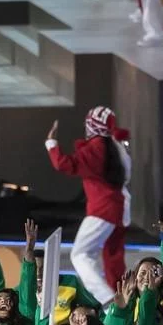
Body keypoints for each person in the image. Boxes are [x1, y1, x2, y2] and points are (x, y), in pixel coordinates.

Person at [45, 108, 131, 306]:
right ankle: (121, 298)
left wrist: (51, 143)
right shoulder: (115, 146)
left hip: (103, 210)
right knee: (112, 258)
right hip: (118, 206)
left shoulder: (96, 148)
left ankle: (107, 299)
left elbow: (65, 164)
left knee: (79, 255)